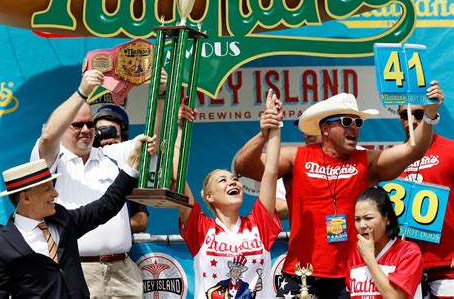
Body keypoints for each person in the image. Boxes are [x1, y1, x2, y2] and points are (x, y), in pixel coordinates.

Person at [234, 82, 443, 298]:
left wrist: (429, 116)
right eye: (346, 121)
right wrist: (263, 134)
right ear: (325, 129)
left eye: (357, 122)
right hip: (301, 275)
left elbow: (414, 149)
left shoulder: (367, 161)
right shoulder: (296, 157)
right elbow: (243, 166)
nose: (354, 127)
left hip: (351, 276)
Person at [30, 69, 166, 298]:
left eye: (90, 124)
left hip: (123, 269)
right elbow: (47, 137)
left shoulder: (111, 154)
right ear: (64, 127)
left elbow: (152, 138)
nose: (86, 130)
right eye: (77, 125)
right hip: (77, 269)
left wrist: (162, 96)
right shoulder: (53, 162)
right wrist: (83, 92)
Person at [0, 135, 156, 298]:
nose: (55, 193)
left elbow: (106, 205)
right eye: (47, 189)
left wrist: (133, 163)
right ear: (26, 197)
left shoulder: (62, 219)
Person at [177, 91, 283, 298]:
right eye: (222, 180)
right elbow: (177, 178)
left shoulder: (259, 224)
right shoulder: (199, 228)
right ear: (208, 196)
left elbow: (270, 171)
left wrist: (274, 125)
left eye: (234, 179)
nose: (232, 181)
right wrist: (180, 128)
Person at [397, 104, 454, 299]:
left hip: (446, 262)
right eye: (405, 114)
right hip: (404, 266)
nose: (412, 121)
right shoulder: (392, 157)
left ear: (431, 114)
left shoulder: (451, 150)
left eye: (419, 114)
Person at [347, 186, 424, 298]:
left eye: (368, 218)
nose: (362, 225)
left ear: (386, 218)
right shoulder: (355, 253)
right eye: (357, 219)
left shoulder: (409, 252)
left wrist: (369, 258)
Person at [93, 104, 149, 234]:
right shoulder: (78, 168)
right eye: (103, 134)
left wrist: (94, 227)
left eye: (114, 135)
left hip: (120, 252)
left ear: (123, 137)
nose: (109, 141)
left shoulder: (130, 172)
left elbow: (141, 221)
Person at [275, 122, 322, 220]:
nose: (306, 135)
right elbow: (276, 208)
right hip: (307, 235)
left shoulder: (357, 156)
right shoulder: (293, 160)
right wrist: (317, 203)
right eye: (303, 130)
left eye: (312, 128)